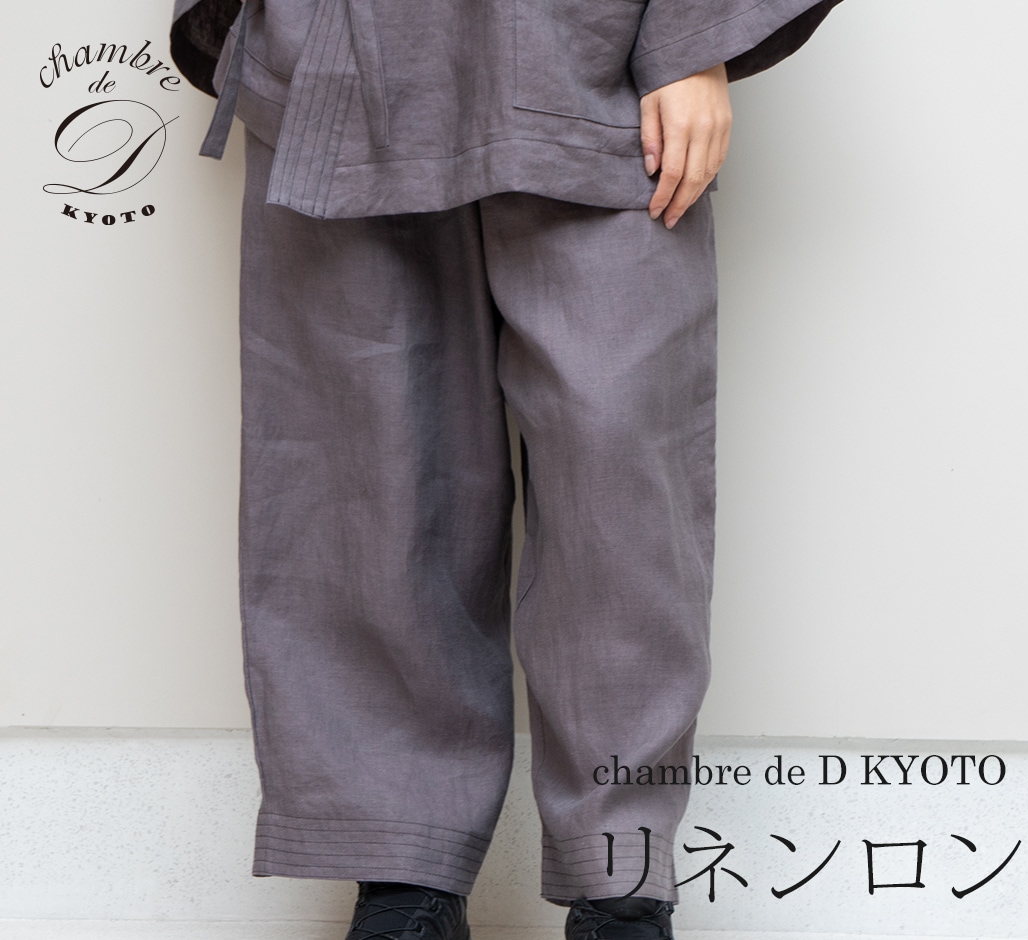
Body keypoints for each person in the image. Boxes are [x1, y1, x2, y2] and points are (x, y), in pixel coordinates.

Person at [169, 0, 841, 937]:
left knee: (620, 491)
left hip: (598, 55)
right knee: (364, 480)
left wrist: (693, 44)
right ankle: (401, 874)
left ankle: (621, 882)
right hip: (343, 56)